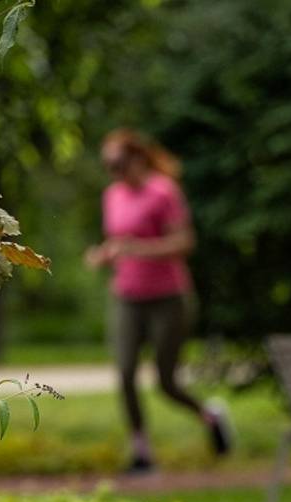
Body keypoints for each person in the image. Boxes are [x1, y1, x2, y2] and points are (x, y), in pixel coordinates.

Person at [84, 128, 231, 473]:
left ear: (137, 158)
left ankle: (210, 416)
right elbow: (117, 241)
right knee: (124, 374)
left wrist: (139, 249)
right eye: (108, 165)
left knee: (166, 382)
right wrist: (103, 255)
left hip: (168, 297)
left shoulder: (163, 191)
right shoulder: (112, 196)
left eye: (118, 163)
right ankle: (141, 452)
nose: (114, 172)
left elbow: (184, 243)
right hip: (127, 296)